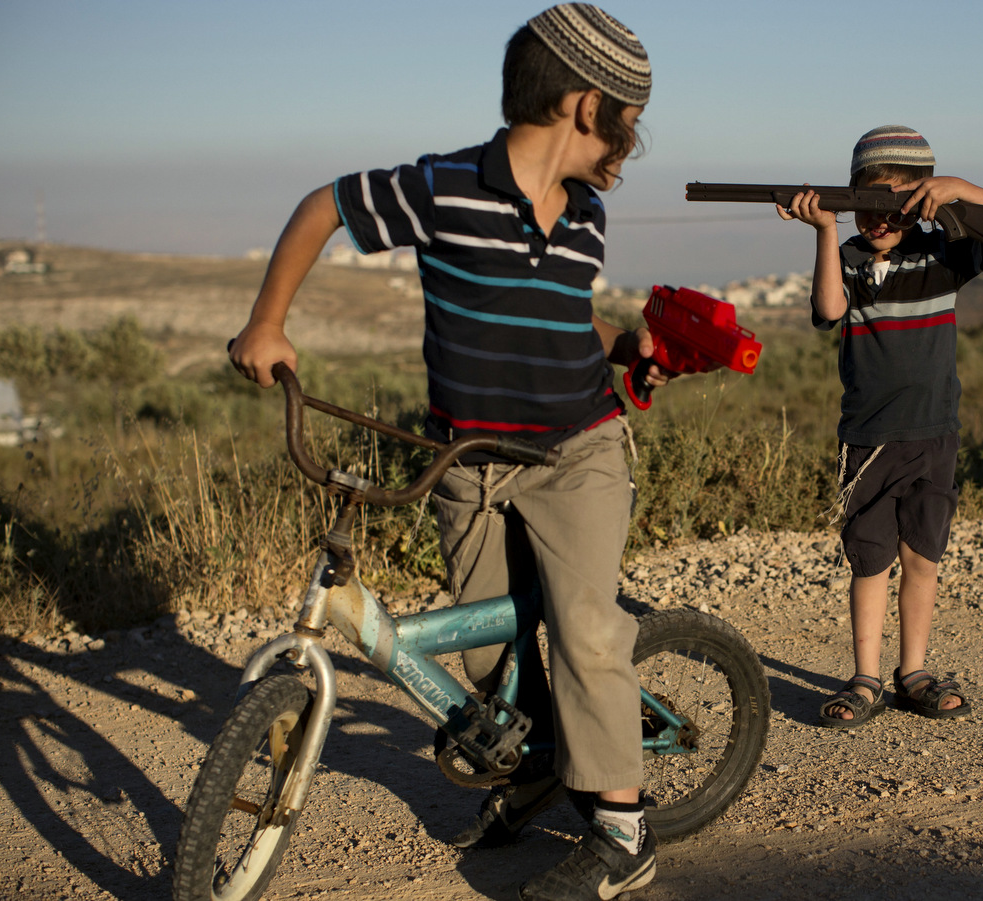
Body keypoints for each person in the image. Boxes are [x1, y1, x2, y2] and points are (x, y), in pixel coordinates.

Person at [228, 6, 663, 898]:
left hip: (576, 449)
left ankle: (624, 832)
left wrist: (622, 344)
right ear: (586, 106)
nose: (631, 140)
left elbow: (559, 308)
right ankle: (540, 767)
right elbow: (325, 206)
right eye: (627, 117)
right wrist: (268, 320)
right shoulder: (444, 186)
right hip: (466, 458)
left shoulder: (584, 216)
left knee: (584, 627)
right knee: (487, 654)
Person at [777, 125, 983, 729]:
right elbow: (829, 311)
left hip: (934, 434)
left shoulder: (946, 250)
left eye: (891, 205)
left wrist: (957, 189)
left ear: (919, 201)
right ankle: (865, 678)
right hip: (870, 438)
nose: (876, 219)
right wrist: (826, 227)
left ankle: (912, 674)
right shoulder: (851, 260)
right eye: (863, 204)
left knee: (922, 557)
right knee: (869, 561)